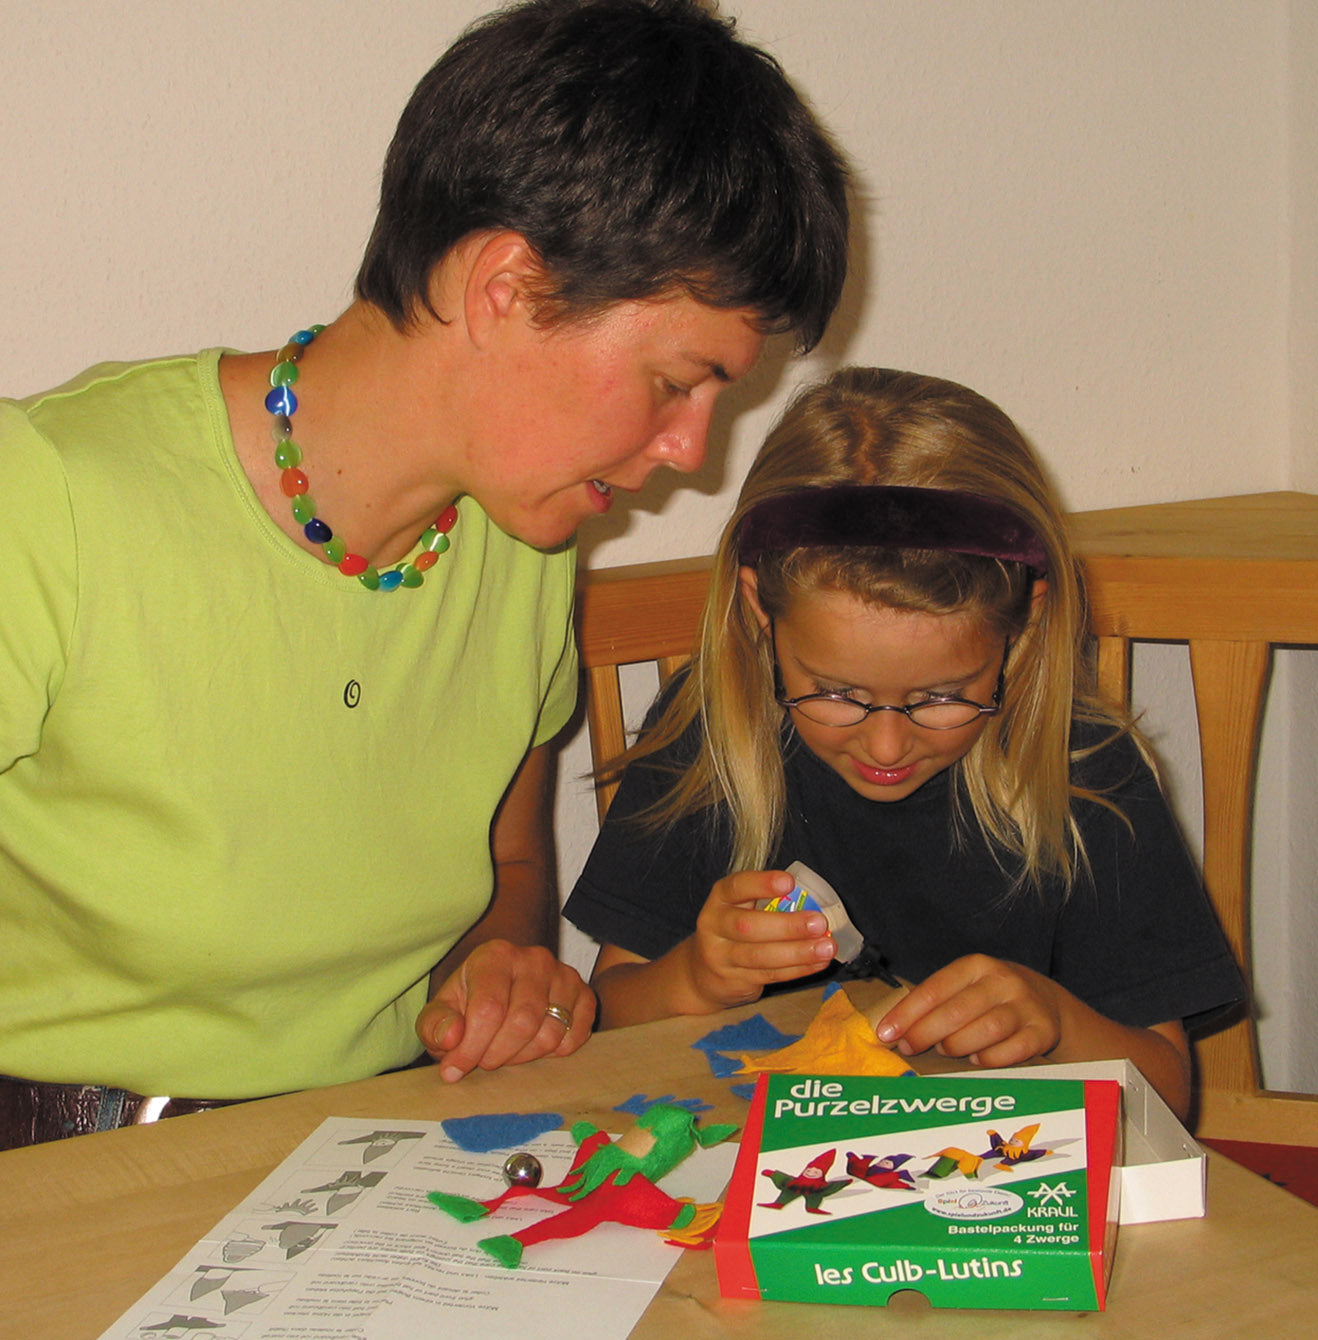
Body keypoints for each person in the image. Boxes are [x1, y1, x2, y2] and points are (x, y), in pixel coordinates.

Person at [0, 0, 849, 1149]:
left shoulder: (523, 538)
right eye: (673, 381)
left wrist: (503, 970)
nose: (690, 452)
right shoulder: (50, 495)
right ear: (503, 286)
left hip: (377, 1154)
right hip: (70, 1175)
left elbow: (504, 866)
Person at [565, 367, 1243, 1121]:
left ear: (1023, 626)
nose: (886, 741)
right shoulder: (711, 736)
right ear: (761, 610)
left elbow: (1169, 1098)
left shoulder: (1085, 774)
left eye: (942, 697)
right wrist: (695, 975)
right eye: (836, 692)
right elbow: (612, 1013)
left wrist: (1056, 1021)